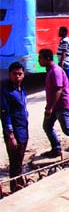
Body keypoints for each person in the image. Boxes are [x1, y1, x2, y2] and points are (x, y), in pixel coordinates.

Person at [1, 62, 29, 192]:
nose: (17, 76)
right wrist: (11, 136)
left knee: (19, 161)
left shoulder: (21, 88)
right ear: (9, 74)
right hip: (14, 133)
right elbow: (5, 114)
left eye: (20, 74)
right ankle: (15, 188)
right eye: (14, 74)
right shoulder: (6, 91)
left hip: (23, 130)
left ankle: (19, 184)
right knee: (14, 163)